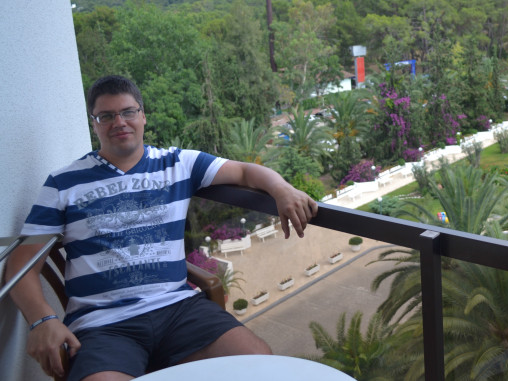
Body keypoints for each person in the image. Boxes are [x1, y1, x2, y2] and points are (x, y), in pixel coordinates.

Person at [5, 75, 318, 381]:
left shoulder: (177, 164)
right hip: (103, 325)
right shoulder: (63, 183)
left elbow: (245, 172)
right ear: (94, 124)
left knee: (257, 363)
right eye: (106, 116)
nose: (119, 122)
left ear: (143, 115)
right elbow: (20, 265)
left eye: (128, 112)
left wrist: (282, 189)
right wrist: (42, 320)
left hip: (178, 309)